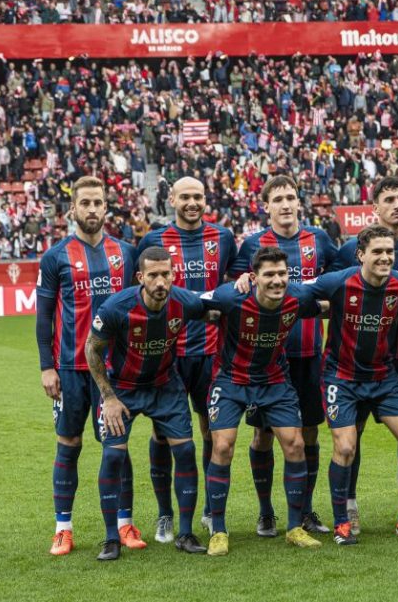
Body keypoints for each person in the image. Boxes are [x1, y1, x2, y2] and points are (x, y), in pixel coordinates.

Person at [305, 225, 398, 545]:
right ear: (360, 255)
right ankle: (341, 523)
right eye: (377, 252)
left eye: (389, 252)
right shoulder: (338, 282)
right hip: (342, 376)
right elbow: (300, 295)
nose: (384, 257)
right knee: (346, 446)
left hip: (384, 377)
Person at [35, 175, 140, 556]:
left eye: (98, 202)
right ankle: (63, 528)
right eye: (86, 203)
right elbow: (44, 314)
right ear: (73, 209)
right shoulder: (55, 256)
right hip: (71, 369)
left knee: (118, 446)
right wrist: (48, 367)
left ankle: (126, 524)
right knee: (70, 444)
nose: (92, 209)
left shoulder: (126, 253)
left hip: (113, 371)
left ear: (106, 207)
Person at [229, 176, 337, 537]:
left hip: (308, 353)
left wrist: (322, 308)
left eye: (291, 197)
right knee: (262, 436)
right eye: (279, 198)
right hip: (266, 360)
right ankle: (265, 512)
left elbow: (337, 283)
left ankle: (305, 511)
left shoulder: (319, 240)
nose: (286, 204)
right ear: (267, 206)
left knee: (308, 434)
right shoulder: (252, 244)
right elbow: (236, 289)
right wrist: (243, 280)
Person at [85, 246, 209, 560]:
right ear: (140, 277)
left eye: (165, 274)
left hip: (165, 386)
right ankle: (111, 538)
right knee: (113, 456)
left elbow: (219, 305)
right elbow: (92, 349)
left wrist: (241, 286)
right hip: (123, 389)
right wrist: (108, 397)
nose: (160, 281)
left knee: (185, 450)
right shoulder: (117, 307)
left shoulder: (184, 302)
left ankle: (184, 533)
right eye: (152, 275)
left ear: (173, 275)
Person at [201, 247, 327, 556]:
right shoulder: (231, 296)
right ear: (254, 277)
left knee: (295, 444)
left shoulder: (298, 298)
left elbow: (329, 300)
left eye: (282, 273)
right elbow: (195, 305)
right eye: (269, 275)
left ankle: (295, 527)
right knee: (222, 446)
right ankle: (218, 529)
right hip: (231, 379)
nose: (277, 280)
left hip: (274, 379)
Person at [333, 176, 398, 534]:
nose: (397, 205)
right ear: (374, 207)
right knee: (352, 433)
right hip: (358, 360)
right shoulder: (351, 248)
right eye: (389, 199)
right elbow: (334, 292)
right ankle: (349, 504)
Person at [137, 177, 237, 542]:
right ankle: (165, 514)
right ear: (172, 199)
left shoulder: (223, 238)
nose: (192, 203)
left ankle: (212, 510)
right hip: (169, 352)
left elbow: (237, 282)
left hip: (212, 352)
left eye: (198, 196)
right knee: (162, 434)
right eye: (185, 197)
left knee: (212, 430)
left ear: (205, 199)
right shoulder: (153, 240)